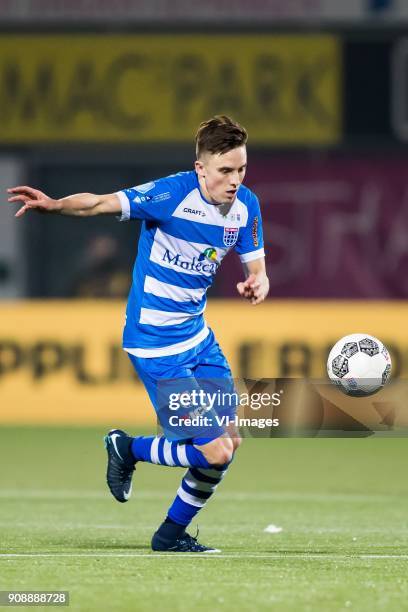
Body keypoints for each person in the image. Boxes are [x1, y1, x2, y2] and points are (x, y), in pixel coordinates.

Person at [8, 115, 269, 553]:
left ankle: (169, 536)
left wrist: (257, 282)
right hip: (156, 343)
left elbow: (256, 267)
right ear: (200, 167)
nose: (235, 180)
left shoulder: (247, 206)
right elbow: (98, 203)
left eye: (241, 169)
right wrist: (55, 205)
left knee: (231, 441)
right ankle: (129, 448)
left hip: (198, 339)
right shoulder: (170, 194)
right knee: (215, 452)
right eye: (225, 170)